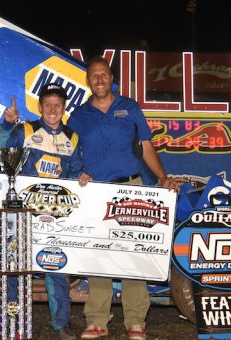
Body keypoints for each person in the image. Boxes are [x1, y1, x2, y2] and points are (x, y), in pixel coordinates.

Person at [66, 56, 180, 340]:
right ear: (88, 80)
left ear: (111, 77)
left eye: (104, 75)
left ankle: (136, 322)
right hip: (96, 193)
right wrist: (78, 172)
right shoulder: (78, 116)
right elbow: (68, 154)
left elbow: (146, 146)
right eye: (94, 76)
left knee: (133, 254)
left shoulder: (129, 108)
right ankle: (97, 321)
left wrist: (163, 178)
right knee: (98, 257)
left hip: (132, 188)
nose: (100, 80)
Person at [0, 83, 84, 340]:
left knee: (57, 269)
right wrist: (7, 126)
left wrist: (82, 177)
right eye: (48, 104)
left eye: (58, 105)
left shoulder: (73, 138)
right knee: (14, 269)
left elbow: (75, 173)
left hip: (55, 216)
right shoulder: (26, 130)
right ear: (40, 106)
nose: (53, 109)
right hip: (21, 213)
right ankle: (10, 325)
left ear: (64, 108)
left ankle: (61, 324)